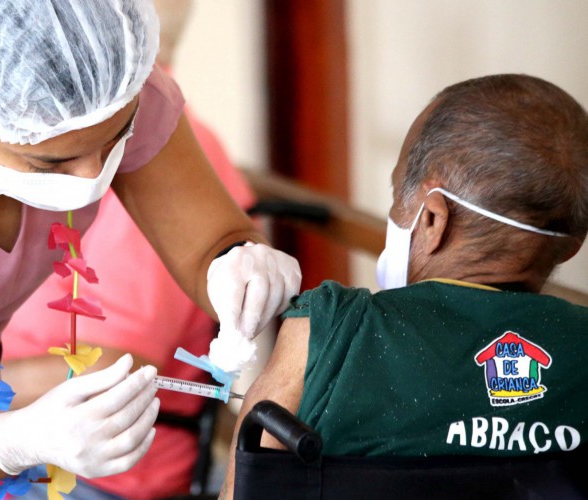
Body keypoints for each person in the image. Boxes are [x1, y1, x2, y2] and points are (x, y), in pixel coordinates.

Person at [0, 0, 301, 498]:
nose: (92, 180)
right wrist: (18, 440)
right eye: (50, 163)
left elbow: (213, 240)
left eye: (116, 141)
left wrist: (235, 263)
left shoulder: (103, 71)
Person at [219, 74, 588, 498]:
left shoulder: (329, 330)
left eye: (399, 193)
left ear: (433, 219)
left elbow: (242, 491)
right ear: (572, 248)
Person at [0, 0, 256, 498]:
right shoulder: (52, 136)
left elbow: (111, 369)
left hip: (90, 471)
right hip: (14, 435)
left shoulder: (154, 163)